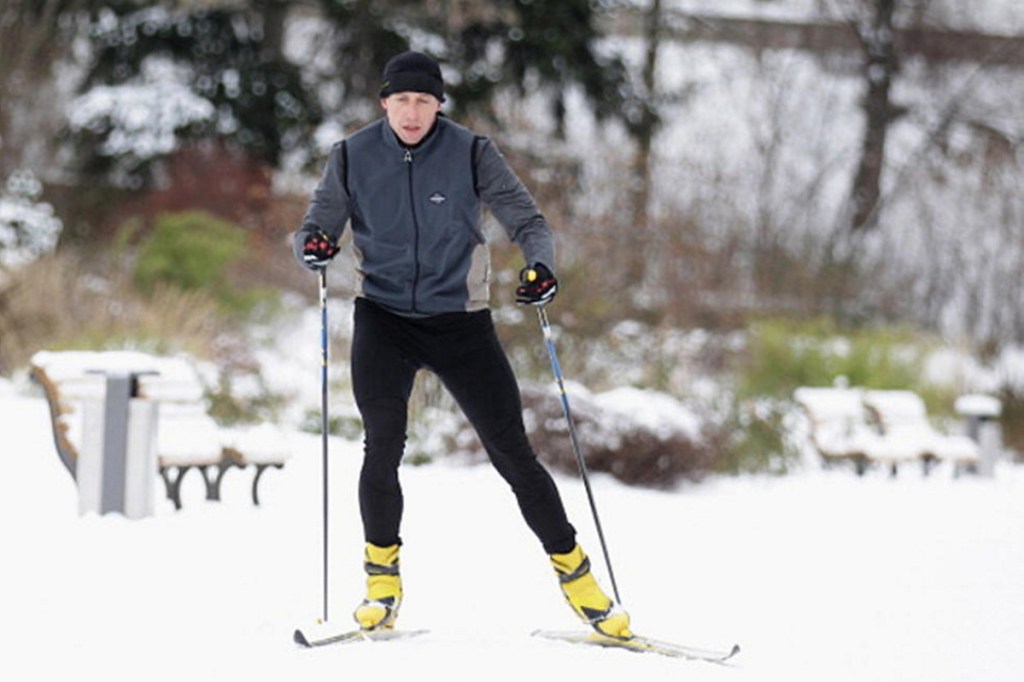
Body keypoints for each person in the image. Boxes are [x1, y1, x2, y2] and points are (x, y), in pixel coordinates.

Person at [292, 51, 630, 640]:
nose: (413, 112)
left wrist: (541, 267)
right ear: (384, 103)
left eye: (424, 101)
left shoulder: (473, 152)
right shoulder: (351, 155)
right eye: (402, 101)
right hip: (384, 319)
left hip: (461, 323)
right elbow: (314, 227)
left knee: (513, 455)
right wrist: (313, 247)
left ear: (439, 104)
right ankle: (382, 586)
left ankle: (579, 581)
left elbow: (530, 223)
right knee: (382, 447)